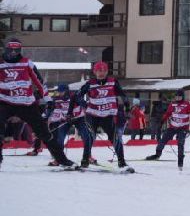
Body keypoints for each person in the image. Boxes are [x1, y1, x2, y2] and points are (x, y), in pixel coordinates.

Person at [0, 40, 74, 169]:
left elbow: (39, 81)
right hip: (4, 101)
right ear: (5, 50)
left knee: (43, 132)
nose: (13, 53)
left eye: (16, 50)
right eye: (10, 50)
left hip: (26, 103)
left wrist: (48, 99)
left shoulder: (27, 63)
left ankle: (61, 159)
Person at [75, 61, 132, 171]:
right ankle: (85, 161)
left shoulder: (113, 82)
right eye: (98, 71)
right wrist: (84, 105)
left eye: (104, 71)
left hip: (108, 115)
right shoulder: (90, 83)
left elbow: (122, 95)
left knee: (115, 138)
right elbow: (78, 96)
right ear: (95, 72)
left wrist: (127, 108)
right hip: (93, 115)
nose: (101, 73)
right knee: (90, 137)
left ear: (107, 72)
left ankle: (122, 162)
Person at [145, 91, 190, 169]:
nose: (177, 98)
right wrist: (162, 121)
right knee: (163, 140)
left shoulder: (187, 104)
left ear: (182, 97)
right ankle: (157, 154)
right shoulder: (172, 104)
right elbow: (167, 114)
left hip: (182, 128)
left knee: (180, 143)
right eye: (176, 97)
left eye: (179, 97)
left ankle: (180, 160)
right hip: (172, 127)